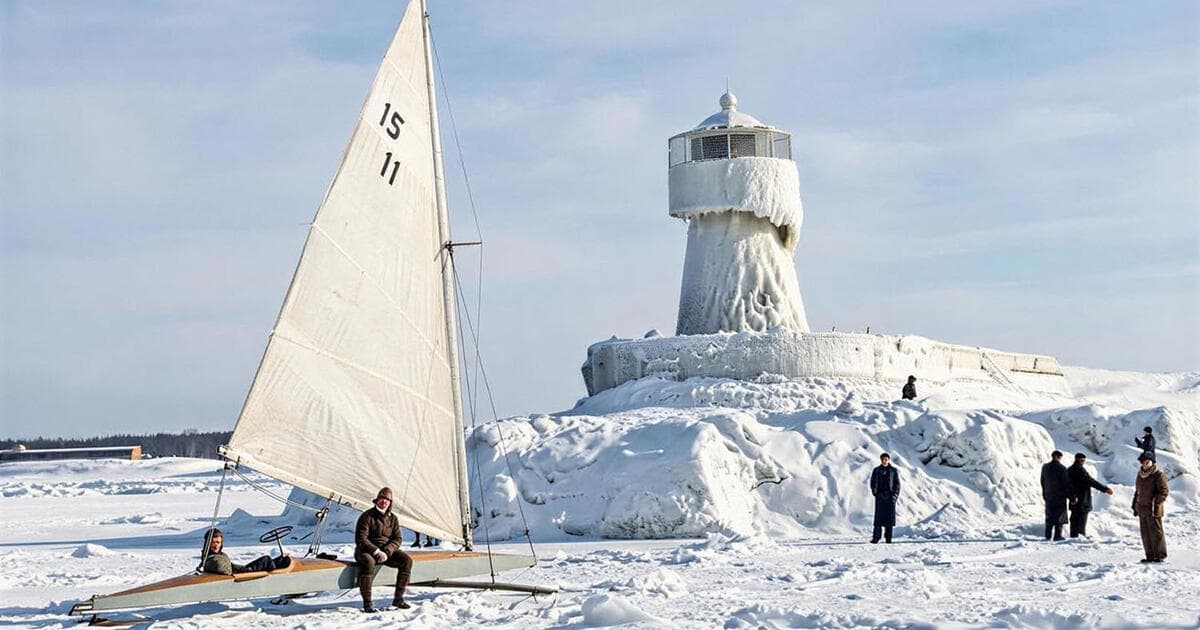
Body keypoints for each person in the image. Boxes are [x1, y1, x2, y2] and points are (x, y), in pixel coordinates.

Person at [355, 487, 413, 612]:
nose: (384, 502)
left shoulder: (393, 518)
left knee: (406, 561)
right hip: (366, 550)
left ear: (390, 503)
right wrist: (376, 551)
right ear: (377, 500)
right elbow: (361, 539)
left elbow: (397, 539)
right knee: (368, 563)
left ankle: (398, 599)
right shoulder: (367, 516)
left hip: (385, 551)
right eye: (382, 499)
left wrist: (387, 552)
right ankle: (367, 603)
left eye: (387, 500)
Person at [199, 528, 291, 575]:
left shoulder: (217, 555)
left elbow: (230, 566)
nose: (216, 545)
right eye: (213, 542)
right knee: (266, 560)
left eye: (218, 542)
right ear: (208, 543)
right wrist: (245, 570)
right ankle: (279, 578)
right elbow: (225, 571)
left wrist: (242, 568)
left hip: (242, 571)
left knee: (279, 560)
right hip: (242, 576)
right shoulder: (212, 558)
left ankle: (281, 563)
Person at [1132, 452, 1169, 563]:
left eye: (1147, 462)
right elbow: (1137, 492)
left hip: (1153, 509)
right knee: (1145, 533)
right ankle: (1150, 555)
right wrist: (1135, 506)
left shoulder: (1158, 474)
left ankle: (1160, 556)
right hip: (1142, 508)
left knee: (1156, 533)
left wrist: (1155, 503)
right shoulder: (1140, 474)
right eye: (1142, 462)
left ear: (1152, 462)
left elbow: (1164, 491)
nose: (1144, 464)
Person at [1067, 453, 1113, 538]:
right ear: (1078, 459)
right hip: (1082, 499)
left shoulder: (1069, 469)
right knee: (1081, 519)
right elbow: (1090, 481)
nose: (1083, 462)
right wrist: (1104, 489)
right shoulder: (1080, 470)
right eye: (1082, 460)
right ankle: (1080, 537)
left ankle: (1074, 536)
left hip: (1073, 499)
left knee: (1074, 519)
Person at [869, 453, 900, 543]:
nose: (884, 461)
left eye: (886, 459)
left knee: (889, 520)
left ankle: (888, 538)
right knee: (878, 520)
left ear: (888, 460)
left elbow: (897, 484)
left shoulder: (893, 471)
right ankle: (876, 538)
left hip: (890, 498)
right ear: (881, 460)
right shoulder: (876, 470)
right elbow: (873, 482)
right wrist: (875, 493)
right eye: (883, 459)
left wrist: (894, 496)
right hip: (880, 497)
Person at [1040, 450, 1070, 541]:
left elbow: (1042, 481)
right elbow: (1066, 483)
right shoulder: (1062, 468)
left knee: (1049, 515)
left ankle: (1048, 535)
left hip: (1049, 495)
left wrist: (1045, 492)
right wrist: (1070, 496)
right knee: (1059, 516)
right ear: (1058, 457)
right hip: (1060, 496)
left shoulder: (1045, 467)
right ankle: (1057, 536)